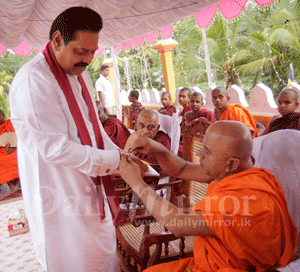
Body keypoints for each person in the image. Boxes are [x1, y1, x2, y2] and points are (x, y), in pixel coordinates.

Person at [9, 7, 128, 272]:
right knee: (71, 259)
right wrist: (114, 160)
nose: (87, 60)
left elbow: (94, 128)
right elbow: (54, 149)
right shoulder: (34, 81)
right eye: (80, 51)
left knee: (101, 254)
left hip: (90, 184)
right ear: (58, 40)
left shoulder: (77, 73)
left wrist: (121, 155)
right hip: (58, 193)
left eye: (92, 52)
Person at [119, 121, 297, 272]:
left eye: (207, 151)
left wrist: (136, 182)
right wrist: (158, 149)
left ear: (231, 163)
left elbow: (177, 223)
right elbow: (180, 168)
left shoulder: (247, 202)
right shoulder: (238, 173)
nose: (199, 154)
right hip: (207, 262)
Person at [125, 109, 171, 185]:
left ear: (158, 128)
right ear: (136, 125)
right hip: (130, 176)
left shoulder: (162, 140)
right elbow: (127, 158)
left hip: (147, 183)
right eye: (142, 126)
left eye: (151, 127)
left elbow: (148, 168)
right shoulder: (136, 137)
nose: (145, 131)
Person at [0, 109, 20, 194]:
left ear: (3, 115)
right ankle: (12, 187)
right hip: (2, 153)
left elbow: (21, 136)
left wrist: (15, 145)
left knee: (17, 157)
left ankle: (19, 184)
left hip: (16, 149)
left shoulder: (11, 124)